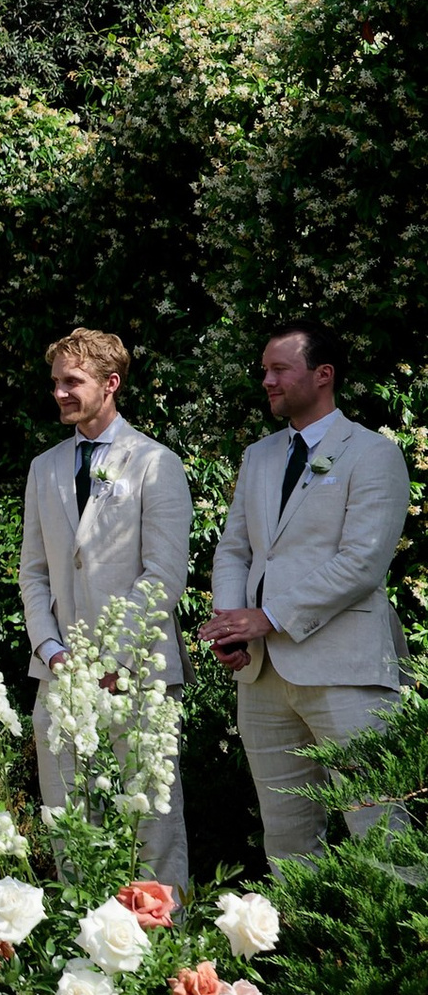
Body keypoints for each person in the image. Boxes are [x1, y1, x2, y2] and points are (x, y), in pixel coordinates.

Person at [209, 318, 414, 864]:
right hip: (261, 675)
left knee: (382, 829)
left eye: (280, 369)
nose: (268, 381)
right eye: (264, 371)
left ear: (322, 375)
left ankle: (400, 950)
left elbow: (362, 563)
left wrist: (268, 616)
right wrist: (232, 621)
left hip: (346, 670)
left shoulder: (372, 454)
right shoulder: (260, 456)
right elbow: (235, 550)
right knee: (286, 836)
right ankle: (306, 946)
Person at [19, 325, 194, 885]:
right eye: (55, 383)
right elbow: (35, 572)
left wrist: (114, 660)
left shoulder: (155, 463)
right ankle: (83, 958)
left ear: (111, 384)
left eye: (73, 382)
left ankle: (166, 960)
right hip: (60, 675)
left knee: (152, 824)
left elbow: (163, 575)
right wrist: (51, 651)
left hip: (137, 674)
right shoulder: (44, 468)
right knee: (68, 823)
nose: (60, 393)